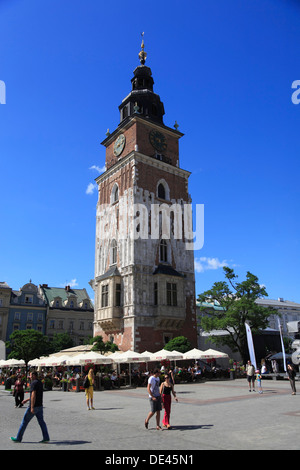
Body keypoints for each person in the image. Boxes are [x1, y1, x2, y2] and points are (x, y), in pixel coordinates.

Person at [10, 370, 50, 443]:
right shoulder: (40, 383)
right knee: (41, 423)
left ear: (34, 376)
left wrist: (31, 407)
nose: (29, 376)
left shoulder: (33, 383)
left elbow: (33, 395)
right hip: (40, 406)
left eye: (30, 375)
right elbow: (35, 395)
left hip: (34, 406)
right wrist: (26, 400)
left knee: (24, 422)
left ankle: (18, 438)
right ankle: (46, 437)